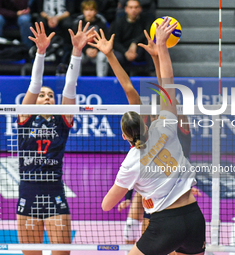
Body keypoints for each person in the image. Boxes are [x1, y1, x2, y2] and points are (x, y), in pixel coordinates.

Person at [92, 17, 206, 255]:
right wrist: (159, 53)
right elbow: (167, 84)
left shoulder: (131, 162)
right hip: (194, 218)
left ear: (124, 136)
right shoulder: (167, 124)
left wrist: (111, 55)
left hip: (165, 220)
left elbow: (106, 205)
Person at [16, 21, 95, 255]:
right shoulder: (25, 118)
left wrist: (77, 52)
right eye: (42, 96)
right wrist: (41, 53)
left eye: (51, 95)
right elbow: (35, 83)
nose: (47, 97)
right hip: (28, 192)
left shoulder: (63, 121)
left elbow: (70, 86)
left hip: (54, 193)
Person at [111, 0, 154, 75]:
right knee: (116, 56)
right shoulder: (118, 22)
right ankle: (118, 79)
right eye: (131, 7)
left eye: (136, 7)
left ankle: (150, 75)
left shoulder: (146, 20)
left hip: (139, 49)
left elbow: (147, 34)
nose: (133, 10)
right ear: (126, 9)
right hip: (123, 50)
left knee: (150, 46)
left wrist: (135, 43)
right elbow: (115, 42)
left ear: (140, 9)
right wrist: (125, 52)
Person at [73, 0, 109, 77]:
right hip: (82, 50)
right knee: (75, 55)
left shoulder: (101, 23)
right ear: (82, 11)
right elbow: (74, 41)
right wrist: (86, 50)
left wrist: (96, 49)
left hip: (97, 51)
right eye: (86, 10)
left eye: (91, 10)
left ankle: (101, 80)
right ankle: (75, 80)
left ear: (96, 11)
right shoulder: (78, 23)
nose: (89, 13)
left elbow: (105, 40)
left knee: (102, 56)